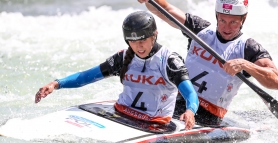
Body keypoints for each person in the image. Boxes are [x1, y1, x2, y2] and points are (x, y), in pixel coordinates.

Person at [34, 11, 199, 130]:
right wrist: (56, 84)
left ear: (154, 35)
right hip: (120, 114)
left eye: (142, 40)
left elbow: (190, 93)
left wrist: (190, 111)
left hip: (154, 123)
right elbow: (87, 76)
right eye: (133, 41)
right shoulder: (122, 58)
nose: (138, 46)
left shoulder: (169, 61)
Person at [138, 0, 278, 125]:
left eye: (233, 22)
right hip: (176, 100)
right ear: (217, 16)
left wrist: (246, 65)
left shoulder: (248, 48)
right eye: (222, 21)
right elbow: (165, 9)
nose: (226, 28)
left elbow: (276, 82)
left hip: (208, 116)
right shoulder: (200, 30)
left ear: (243, 19)